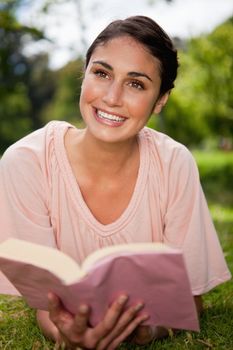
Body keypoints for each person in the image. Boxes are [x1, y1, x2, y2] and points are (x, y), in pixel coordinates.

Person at [0, 15, 231, 349]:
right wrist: (67, 333)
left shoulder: (174, 163)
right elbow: (44, 302)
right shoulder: (26, 162)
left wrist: (148, 330)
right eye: (102, 73)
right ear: (85, 73)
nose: (111, 97)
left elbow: (187, 301)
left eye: (136, 83)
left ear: (160, 100)